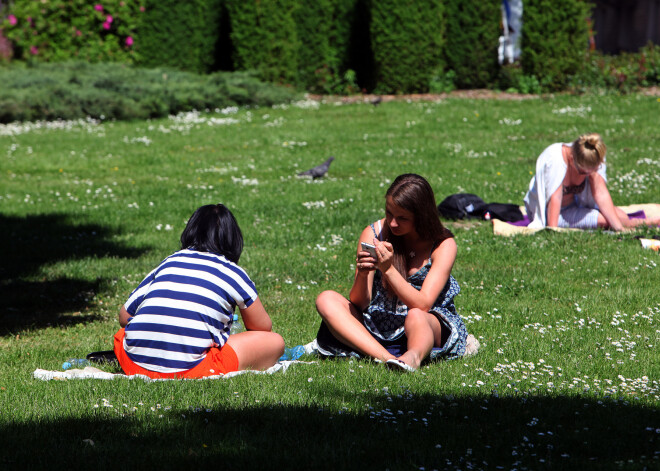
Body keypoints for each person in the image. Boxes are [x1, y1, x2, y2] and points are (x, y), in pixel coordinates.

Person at [314, 174, 477, 372]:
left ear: (422, 216)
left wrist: (388, 269)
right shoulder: (374, 233)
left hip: (424, 324)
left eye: (402, 218)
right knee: (326, 299)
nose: (392, 223)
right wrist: (364, 274)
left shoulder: (443, 244)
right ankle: (388, 358)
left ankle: (413, 357)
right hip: (377, 321)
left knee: (415, 316)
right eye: (389, 213)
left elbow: (423, 304)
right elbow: (360, 303)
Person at [113, 204, 284, 379]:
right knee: (274, 341)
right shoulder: (232, 272)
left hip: (131, 362)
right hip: (190, 369)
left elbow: (124, 316)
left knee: (122, 335)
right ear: (233, 239)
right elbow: (262, 328)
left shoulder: (170, 261)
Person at [524, 133, 660, 230]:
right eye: (583, 172)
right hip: (555, 212)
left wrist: (618, 227)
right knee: (604, 220)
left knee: (620, 216)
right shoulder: (555, 160)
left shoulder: (593, 156)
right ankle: (650, 222)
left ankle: (644, 222)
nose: (587, 175)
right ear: (572, 159)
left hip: (576, 205)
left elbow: (601, 193)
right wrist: (552, 230)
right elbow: (555, 198)